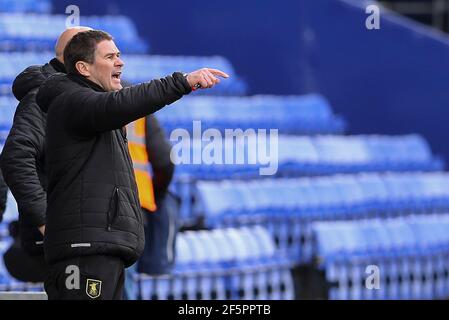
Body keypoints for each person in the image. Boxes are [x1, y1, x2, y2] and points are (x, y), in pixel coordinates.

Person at [36, 29, 228, 300]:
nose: (120, 62)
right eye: (110, 56)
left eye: (120, 55)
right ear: (83, 68)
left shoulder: (91, 104)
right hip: (85, 251)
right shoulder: (73, 102)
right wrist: (183, 82)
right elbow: (123, 103)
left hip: (103, 247)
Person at [0, 27, 92, 281]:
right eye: (105, 55)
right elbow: (15, 159)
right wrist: (46, 222)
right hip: (66, 238)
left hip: (92, 235)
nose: (119, 62)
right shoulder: (42, 99)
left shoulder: (89, 96)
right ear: (79, 61)